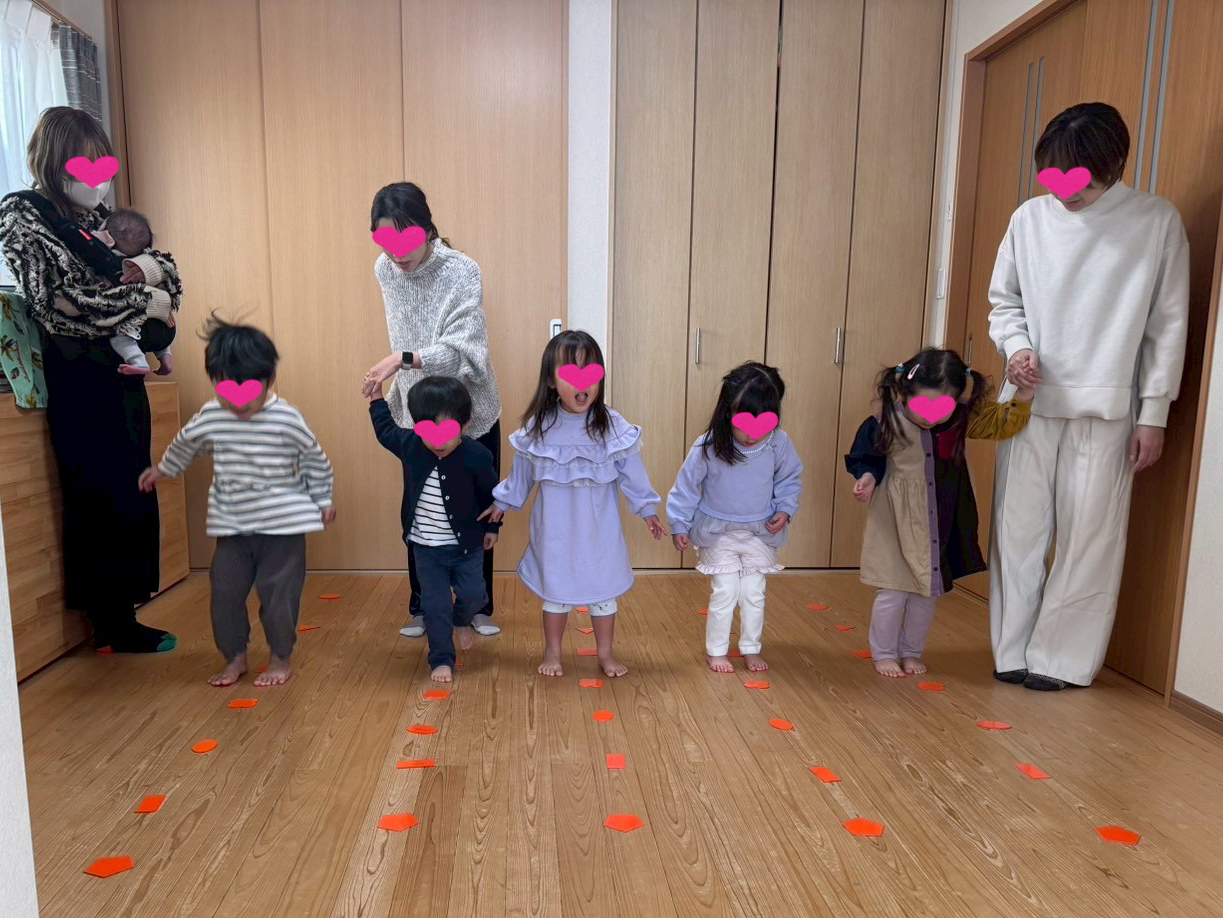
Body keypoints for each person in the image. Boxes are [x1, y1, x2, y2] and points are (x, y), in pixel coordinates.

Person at [987, 102, 1190, 691]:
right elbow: (1005, 301)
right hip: (1026, 403)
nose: (1065, 191)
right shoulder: (1029, 218)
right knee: (1016, 530)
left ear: (1115, 163)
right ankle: (1011, 650)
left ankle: (1060, 659)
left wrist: (1155, 414)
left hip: (1107, 408)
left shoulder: (1155, 221)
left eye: (1080, 179)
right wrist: (1017, 347)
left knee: (1089, 538)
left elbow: (1168, 326)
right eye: (1053, 176)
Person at [0, 106, 180, 654]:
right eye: (85, 162)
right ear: (55, 162)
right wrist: (146, 299)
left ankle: (125, 612)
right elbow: (60, 303)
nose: (98, 176)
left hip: (120, 370)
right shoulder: (23, 215)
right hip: (78, 370)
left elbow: (166, 268)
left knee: (132, 484)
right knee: (96, 489)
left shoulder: (98, 216)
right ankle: (110, 624)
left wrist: (147, 286)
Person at [139, 318, 335, 686]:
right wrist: (164, 469)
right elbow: (186, 443)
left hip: (283, 528)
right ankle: (235, 656)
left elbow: (314, 459)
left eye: (249, 389)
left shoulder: (286, 418)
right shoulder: (212, 415)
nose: (237, 400)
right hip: (232, 527)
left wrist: (323, 498)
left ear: (269, 379)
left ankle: (280, 658)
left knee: (278, 597)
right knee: (225, 594)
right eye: (226, 388)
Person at [361, 182, 503, 639]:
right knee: (420, 507)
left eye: (405, 238)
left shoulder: (462, 270)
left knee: (477, 508)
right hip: (417, 412)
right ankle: (424, 605)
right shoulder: (385, 269)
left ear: (426, 229)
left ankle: (477, 606)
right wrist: (398, 380)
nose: (396, 252)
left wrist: (402, 359)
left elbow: (466, 352)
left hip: (469, 411)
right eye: (385, 240)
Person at [482, 330, 665, 678]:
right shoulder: (540, 428)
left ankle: (605, 653)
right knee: (557, 592)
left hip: (599, 530)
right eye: (570, 373)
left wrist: (648, 510)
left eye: (590, 371)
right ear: (551, 381)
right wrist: (502, 504)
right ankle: (553, 652)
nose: (582, 383)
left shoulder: (612, 426)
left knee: (603, 594)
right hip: (556, 529)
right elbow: (521, 476)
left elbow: (633, 474)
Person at [846, 349, 1032, 678]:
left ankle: (911, 652)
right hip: (894, 521)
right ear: (904, 392)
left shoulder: (958, 420)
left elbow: (999, 424)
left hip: (936, 522)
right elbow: (866, 457)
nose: (930, 417)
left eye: (943, 407)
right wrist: (868, 477)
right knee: (892, 590)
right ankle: (884, 653)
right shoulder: (885, 421)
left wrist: (1025, 396)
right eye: (921, 405)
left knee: (926, 593)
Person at [666, 362, 802, 674]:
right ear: (727, 412)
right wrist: (679, 524)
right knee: (726, 591)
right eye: (744, 423)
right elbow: (686, 487)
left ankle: (751, 648)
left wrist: (785, 509)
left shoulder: (778, 443)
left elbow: (789, 479)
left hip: (759, 532)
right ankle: (717, 651)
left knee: (754, 593)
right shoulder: (708, 446)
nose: (753, 434)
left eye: (763, 423)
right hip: (718, 532)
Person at [367, 376, 500, 683]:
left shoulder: (477, 456)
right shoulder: (411, 445)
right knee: (435, 606)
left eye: (448, 431)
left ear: (465, 425)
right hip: (426, 549)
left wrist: (494, 528)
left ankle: (462, 620)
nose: (437, 442)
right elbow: (385, 430)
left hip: (467, 546)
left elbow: (492, 496)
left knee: (474, 595)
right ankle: (441, 659)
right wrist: (375, 399)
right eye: (427, 431)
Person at [87, 208, 174, 375]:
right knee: (164, 322)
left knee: (119, 337)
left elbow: (90, 241)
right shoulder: (148, 262)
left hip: (133, 329)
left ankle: (138, 361)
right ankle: (165, 356)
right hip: (164, 330)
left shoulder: (107, 261)